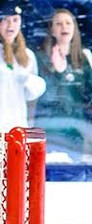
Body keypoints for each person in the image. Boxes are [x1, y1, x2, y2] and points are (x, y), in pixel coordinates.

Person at [36, 8, 92, 161]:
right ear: (52, 30)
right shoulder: (41, 58)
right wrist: (58, 74)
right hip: (50, 126)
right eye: (58, 24)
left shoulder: (82, 58)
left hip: (75, 128)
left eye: (68, 23)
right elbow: (44, 96)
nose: (64, 27)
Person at [0, 4, 46, 133]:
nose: (10, 25)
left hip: (17, 128)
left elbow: (31, 97)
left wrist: (28, 80)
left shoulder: (27, 55)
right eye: (5, 20)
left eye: (15, 20)